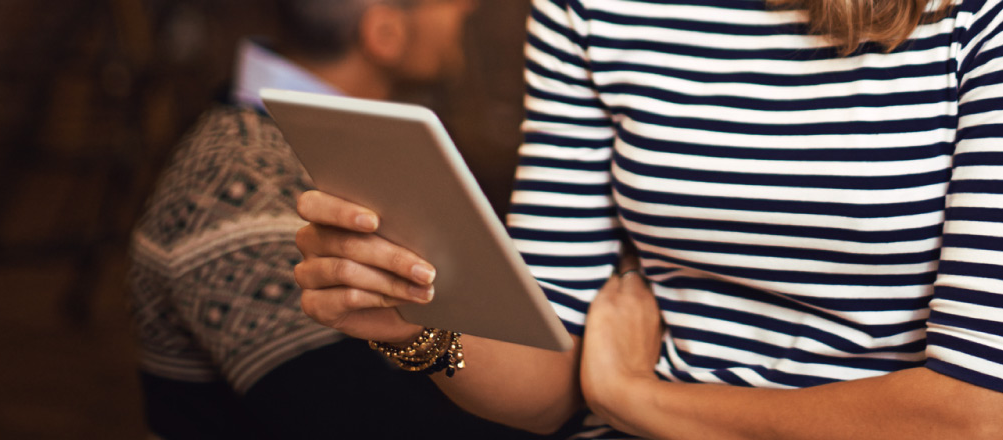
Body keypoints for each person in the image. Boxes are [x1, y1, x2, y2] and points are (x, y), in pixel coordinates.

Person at [293, 0, 1003, 438]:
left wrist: (643, 403)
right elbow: (548, 383)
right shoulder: (590, 8)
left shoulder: (977, 16)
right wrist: (424, 322)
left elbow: (975, 416)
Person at [127, 0, 545, 438]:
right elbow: (372, 421)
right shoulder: (239, 195)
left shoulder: (340, 144)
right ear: (384, 34)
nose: (467, 6)